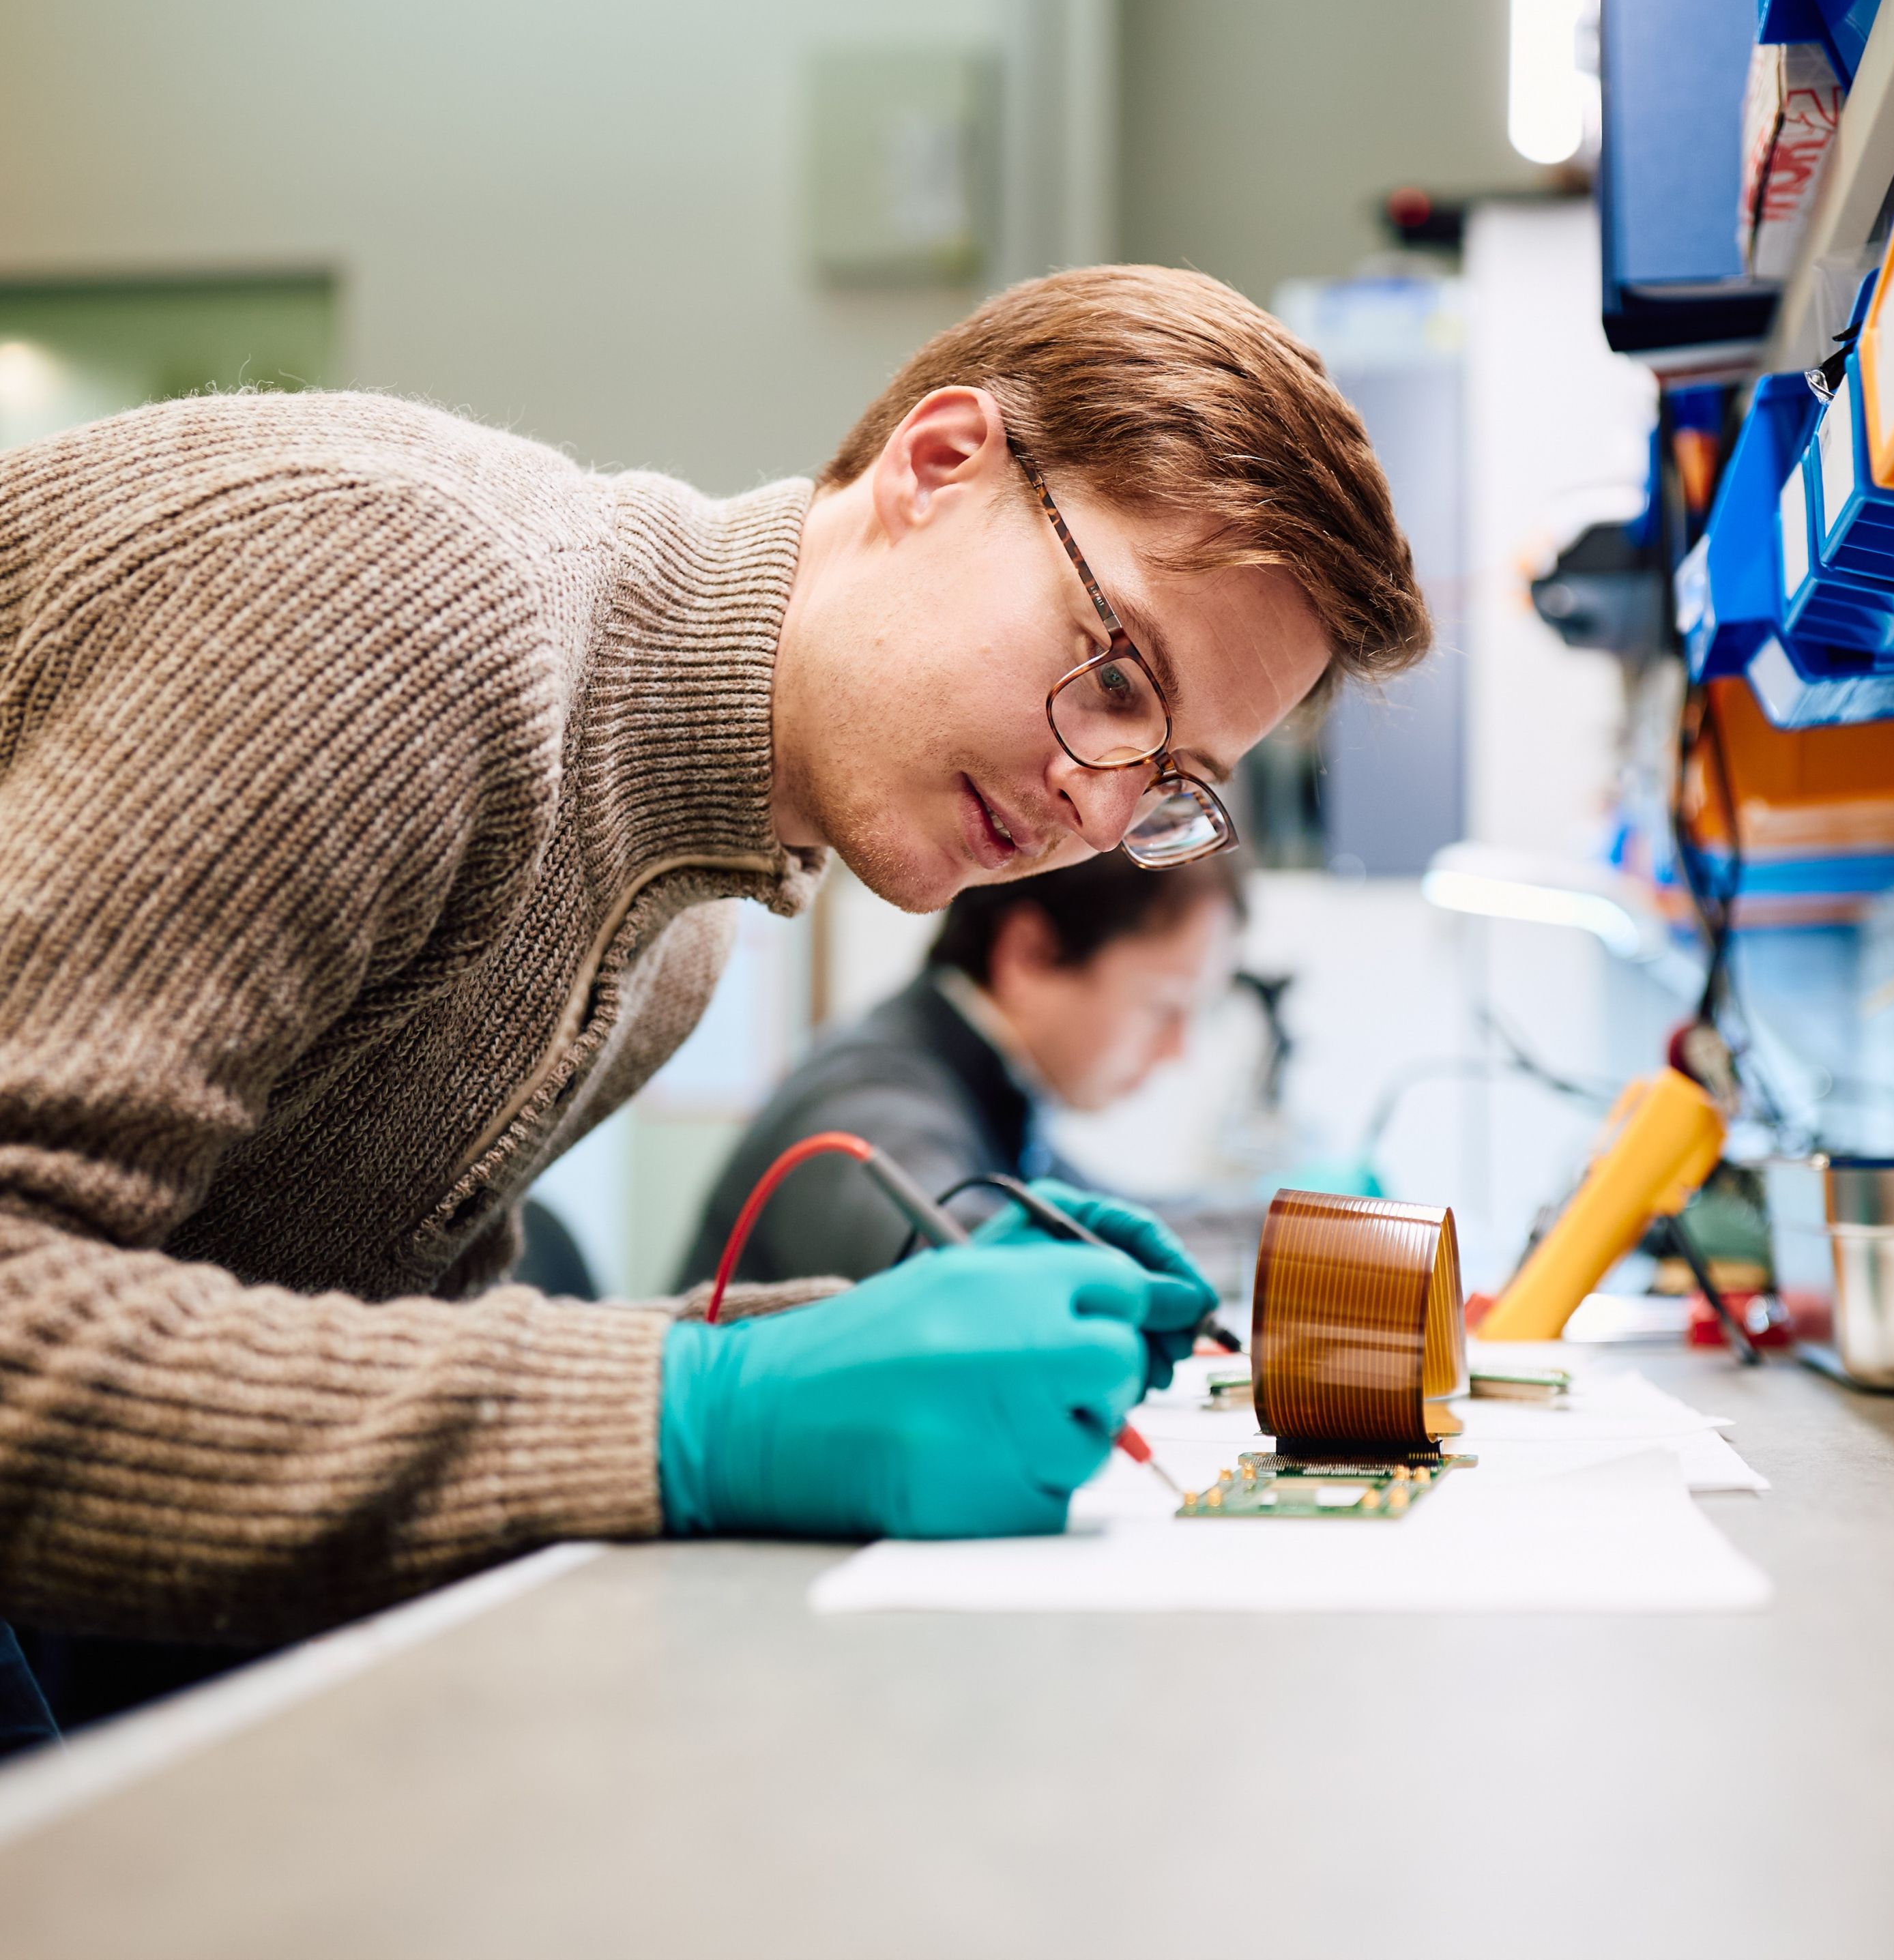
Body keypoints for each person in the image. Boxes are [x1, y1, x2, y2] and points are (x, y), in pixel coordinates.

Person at [0, 266, 1427, 1676]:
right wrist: (704, 1404)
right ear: (938, 465)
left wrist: (844, 1349)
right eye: (1117, 676)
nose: (1101, 813)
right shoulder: (408, 606)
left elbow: (300, 1359)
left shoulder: (680, 929)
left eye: (1173, 782)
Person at [680, 850, 1242, 1293]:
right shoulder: (869, 1097)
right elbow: (980, 1269)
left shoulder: (987, 1090)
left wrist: (1295, 1222)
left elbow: (1129, 1226)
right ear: (1028, 954)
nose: (1178, 1051)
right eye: (1164, 1007)